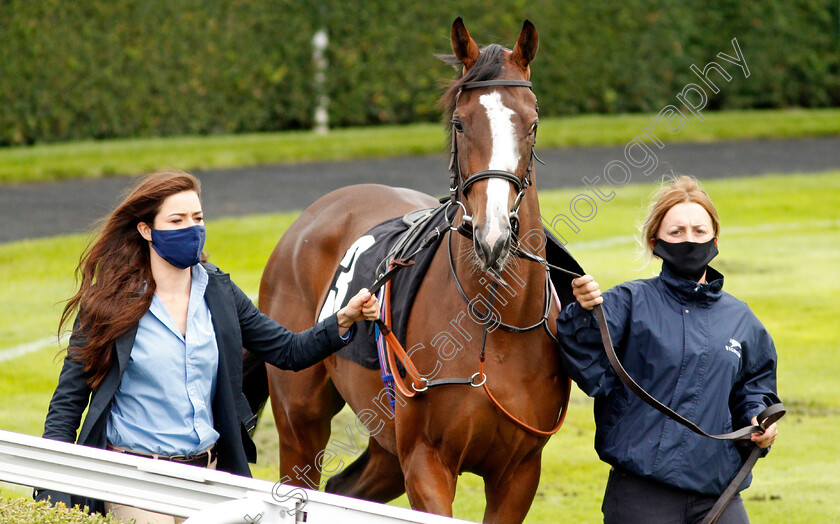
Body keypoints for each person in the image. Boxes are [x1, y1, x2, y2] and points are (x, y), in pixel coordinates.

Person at [36, 171, 380, 523]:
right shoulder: (107, 304)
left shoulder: (219, 292)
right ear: (145, 230)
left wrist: (344, 318)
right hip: (134, 481)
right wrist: (51, 488)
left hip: (208, 479)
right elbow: (68, 403)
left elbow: (288, 351)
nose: (192, 228)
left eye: (197, 218)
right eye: (177, 220)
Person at [556, 175, 780, 524]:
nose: (689, 240)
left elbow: (754, 388)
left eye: (698, 231)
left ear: (715, 239)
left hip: (719, 493)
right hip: (642, 494)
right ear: (654, 241)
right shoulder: (627, 302)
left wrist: (757, 420)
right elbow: (587, 364)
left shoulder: (742, 319)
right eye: (676, 232)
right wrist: (583, 312)